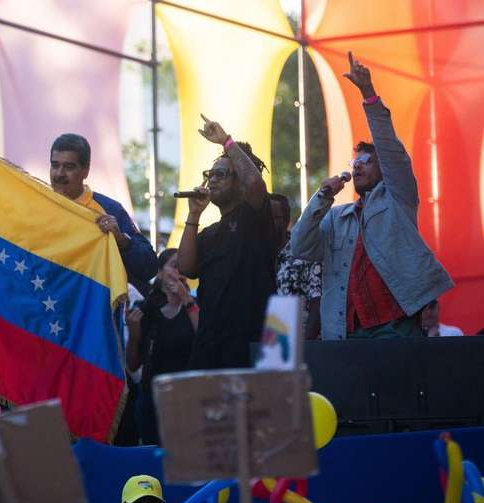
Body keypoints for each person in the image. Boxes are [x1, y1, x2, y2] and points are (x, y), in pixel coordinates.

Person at [291, 52, 453, 340]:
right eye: (354, 163)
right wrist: (323, 194)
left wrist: (368, 94)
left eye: (366, 160)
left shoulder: (398, 199)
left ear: (384, 168)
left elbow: (390, 149)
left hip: (395, 325)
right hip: (346, 330)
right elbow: (300, 245)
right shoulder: (337, 217)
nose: (358, 166)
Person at [178, 116, 277, 369]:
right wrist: (193, 215)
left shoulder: (253, 218)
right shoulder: (210, 233)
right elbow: (186, 267)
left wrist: (226, 142)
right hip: (210, 345)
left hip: (248, 347)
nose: (212, 179)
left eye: (221, 173)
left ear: (240, 183)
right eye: (210, 174)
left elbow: (255, 183)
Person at [49, 133, 157, 284]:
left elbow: (150, 267)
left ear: (85, 171)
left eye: (69, 167)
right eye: (55, 165)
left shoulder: (110, 209)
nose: (59, 174)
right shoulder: (37, 205)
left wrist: (121, 241)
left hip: (91, 303)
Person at [126, 248, 197, 444]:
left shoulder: (195, 306)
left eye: (183, 268)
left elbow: (205, 339)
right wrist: (133, 334)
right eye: (175, 266)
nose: (179, 273)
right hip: (153, 403)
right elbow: (132, 365)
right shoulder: (146, 310)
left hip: (188, 401)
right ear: (160, 273)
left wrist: (186, 299)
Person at [271, 193, 322, 340]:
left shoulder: (305, 251)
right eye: (263, 218)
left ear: (286, 220)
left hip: (300, 343)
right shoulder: (256, 255)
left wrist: (306, 345)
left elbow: (317, 303)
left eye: (274, 217)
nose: (267, 223)